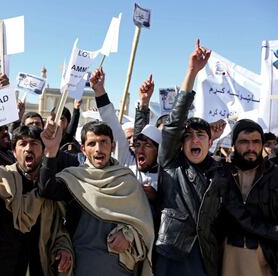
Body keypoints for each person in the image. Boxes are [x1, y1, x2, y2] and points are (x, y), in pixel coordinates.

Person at [39, 118, 154, 276]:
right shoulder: (74, 178)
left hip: (119, 269)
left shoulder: (127, 181)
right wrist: (50, 151)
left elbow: (145, 228)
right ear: (83, 149)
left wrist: (129, 234)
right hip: (82, 266)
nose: (99, 149)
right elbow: (46, 189)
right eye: (92, 143)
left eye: (104, 142)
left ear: (113, 146)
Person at [154, 40, 227, 276]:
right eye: (189, 136)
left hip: (205, 258)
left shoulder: (221, 174)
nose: (195, 140)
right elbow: (174, 123)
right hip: (171, 253)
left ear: (210, 142)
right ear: (180, 143)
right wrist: (192, 72)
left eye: (200, 135)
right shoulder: (170, 164)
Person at [0, 125, 73, 276]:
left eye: (34, 143)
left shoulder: (52, 187)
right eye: (22, 144)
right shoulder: (1, 178)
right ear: (14, 152)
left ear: (43, 150)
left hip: (40, 268)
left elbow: (58, 229)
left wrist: (63, 249)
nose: (28, 149)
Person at [89, 69, 162, 202]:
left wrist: (157, 199)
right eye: (138, 145)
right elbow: (111, 121)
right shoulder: (127, 160)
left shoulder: (167, 176)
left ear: (158, 151)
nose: (140, 149)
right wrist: (99, 90)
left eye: (148, 145)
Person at [220, 120, 278, 275]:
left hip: (265, 261)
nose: (251, 148)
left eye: (256, 142)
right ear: (233, 145)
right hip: (226, 259)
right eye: (244, 142)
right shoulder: (220, 173)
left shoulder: (275, 175)